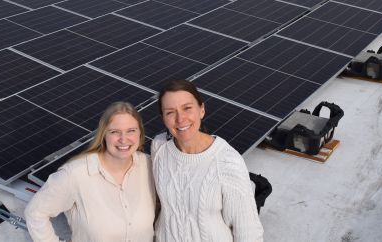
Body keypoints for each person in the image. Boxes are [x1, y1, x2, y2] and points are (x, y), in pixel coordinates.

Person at [25, 101, 156, 242]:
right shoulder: (76, 174)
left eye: (131, 130)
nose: (123, 139)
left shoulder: (149, 166)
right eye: (114, 132)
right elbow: (35, 213)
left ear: (140, 133)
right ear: (103, 134)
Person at [151, 79, 264, 242]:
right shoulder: (159, 147)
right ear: (163, 118)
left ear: (202, 110)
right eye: (170, 112)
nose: (180, 119)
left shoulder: (227, 161)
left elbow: (248, 231)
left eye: (187, 108)